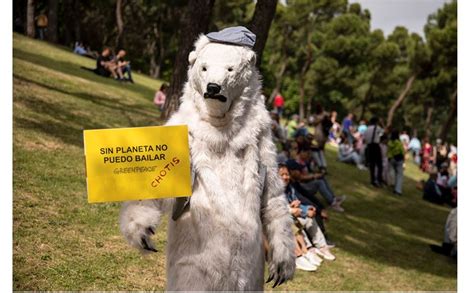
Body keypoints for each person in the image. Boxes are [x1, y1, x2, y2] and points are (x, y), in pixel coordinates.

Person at [279, 163, 336, 262]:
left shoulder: (290, 188)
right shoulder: (274, 191)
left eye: (287, 174)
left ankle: (322, 246)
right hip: (283, 217)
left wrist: (307, 208)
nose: (285, 177)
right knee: (298, 219)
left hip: (293, 213)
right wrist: (303, 211)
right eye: (282, 175)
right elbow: (280, 208)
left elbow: (299, 202)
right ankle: (308, 248)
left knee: (309, 217)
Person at [363, 117, 384, 187]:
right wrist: (382, 124)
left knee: (372, 164)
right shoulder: (377, 128)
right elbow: (383, 133)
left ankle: (372, 180)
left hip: (369, 146)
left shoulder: (367, 129)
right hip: (375, 146)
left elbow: (364, 138)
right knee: (379, 164)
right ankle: (379, 180)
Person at [387, 130, 405, 195]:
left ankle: (393, 184)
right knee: (399, 175)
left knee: (392, 172)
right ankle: (398, 190)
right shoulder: (399, 143)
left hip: (392, 159)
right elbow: (402, 151)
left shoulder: (389, 142)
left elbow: (388, 151)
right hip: (399, 159)